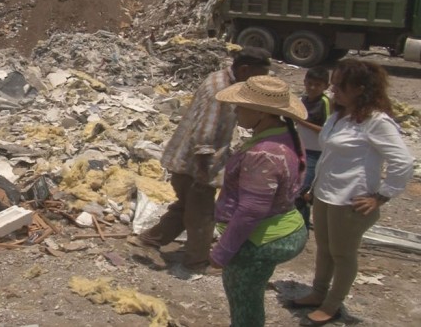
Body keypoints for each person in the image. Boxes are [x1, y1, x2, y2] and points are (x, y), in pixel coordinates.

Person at [288, 59, 414, 326]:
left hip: (350, 200)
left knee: (343, 254)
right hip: (325, 194)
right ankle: (318, 293)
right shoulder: (339, 116)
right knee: (324, 248)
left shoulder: (376, 122)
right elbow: (329, 155)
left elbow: (402, 162)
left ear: (359, 88)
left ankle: (332, 304)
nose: (333, 90)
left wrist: (381, 195)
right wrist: (313, 187)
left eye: (339, 85)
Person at [127, 47, 272, 274]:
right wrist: (204, 171)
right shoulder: (221, 90)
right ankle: (197, 262)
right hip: (196, 164)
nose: (260, 81)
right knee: (202, 216)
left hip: (184, 158)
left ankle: (149, 239)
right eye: (258, 75)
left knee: (186, 207)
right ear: (244, 69)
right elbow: (206, 133)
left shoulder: (220, 78)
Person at [211, 75, 309, 327]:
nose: (235, 110)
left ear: (261, 113)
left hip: (260, 238)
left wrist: (223, 251)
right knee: (250, 296)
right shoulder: (285, 134)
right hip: (284, 224)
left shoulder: (264, 153)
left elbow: (251, 211)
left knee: (244, 301)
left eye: (241, 106)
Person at [295, 67, 331, 229]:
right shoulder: (302, 100)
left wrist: (302, 122)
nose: (312, 87)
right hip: (300, 149)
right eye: (310, 84)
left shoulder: (324, 103)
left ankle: (302, 226)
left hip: (316, 153)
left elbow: (326, 131)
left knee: (303, 190)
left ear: (326, 86)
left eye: (317, 85)